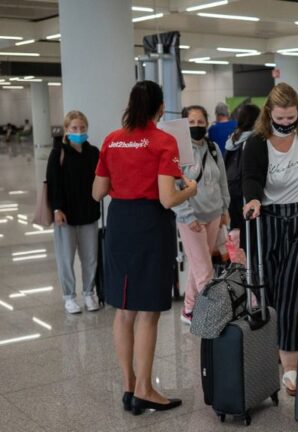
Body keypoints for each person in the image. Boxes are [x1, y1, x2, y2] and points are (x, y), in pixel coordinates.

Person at [92, 80, 197, 414]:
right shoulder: (164, 141)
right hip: (150, 225)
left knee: (124, 311)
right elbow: (168, 199)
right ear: (161, 108)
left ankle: (128, 386)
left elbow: (97, 192)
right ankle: (145, 389)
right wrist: (190, 190)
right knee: (148, 313)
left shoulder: (111, 140)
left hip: (119, 223)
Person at [242, 83, 298, 396]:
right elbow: (250, 177)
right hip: (270, 220)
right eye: (280, 118)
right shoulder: (256, 142)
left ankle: (291, 365)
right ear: (269, 114)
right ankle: (276, 352)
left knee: (295, 291)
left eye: (291, 117)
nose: (286, 123)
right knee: (273, 294)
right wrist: (252, 199)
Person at [175, 105, 230, 324]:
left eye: (200, 122)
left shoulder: (213, 148)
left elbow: (222, 181)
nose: (196, 127)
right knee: (204, 270)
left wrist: (225, 210)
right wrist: (188, 216)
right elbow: (174, 187)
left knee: (200, 264)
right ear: (183, 125)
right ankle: (213, 315)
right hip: (191, 218)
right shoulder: (178, 152)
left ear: (207, 124)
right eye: (191, 123)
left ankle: (188, 309)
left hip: (214, 214)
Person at [46, 110, 101, 314]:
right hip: (65, 217)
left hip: (88, 214)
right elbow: (53, 184)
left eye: (82, 128)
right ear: (67, 130)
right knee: (66, 259)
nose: (79, 131)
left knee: (90, 258)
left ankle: (89, 293)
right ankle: (69, 296)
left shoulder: (93, 152)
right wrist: (57, 209)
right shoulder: (58, 153)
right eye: (74, 128)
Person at [225, 104, 260, 232]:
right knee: (250, 232)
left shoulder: (232, 139)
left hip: (232, 191)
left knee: (236, 231)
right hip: (246, 192)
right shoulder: (255, 141)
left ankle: (237, 252)